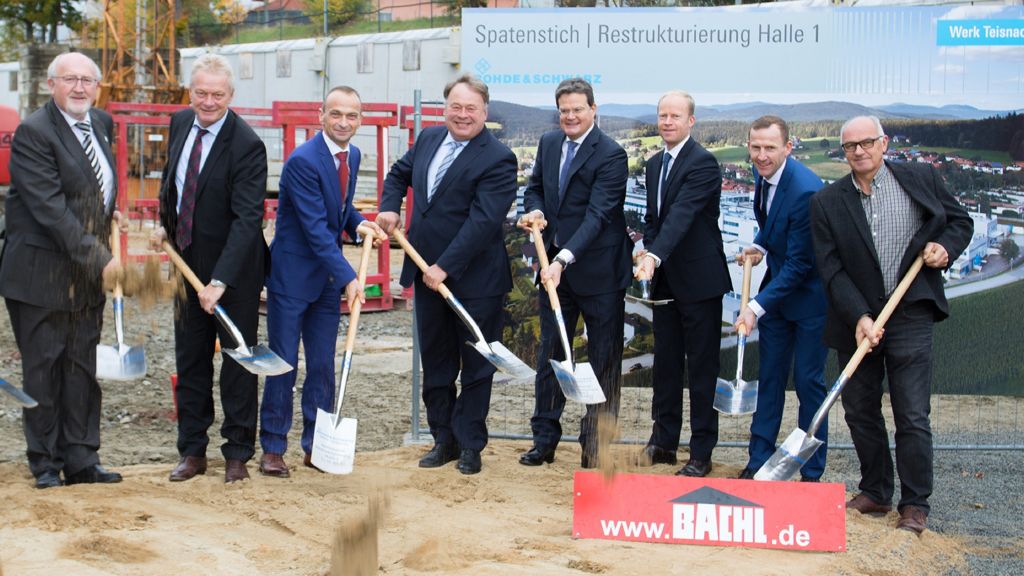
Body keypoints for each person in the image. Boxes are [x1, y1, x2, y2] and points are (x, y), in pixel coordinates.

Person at [810, 115, 971, 534]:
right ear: (843, 151)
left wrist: (944, 248)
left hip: (911, 311)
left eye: (867, 142)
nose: (859, 151)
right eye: (850, 146)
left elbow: (960, 223)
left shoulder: (920, 179)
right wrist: (860, 316)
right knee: (860, 410)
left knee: (912, 413)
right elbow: (831, 269)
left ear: (884, 143)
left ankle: (915, 504)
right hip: (856, 318)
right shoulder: (827, 202)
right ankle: (876, 490)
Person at [376, 74, 516, 475]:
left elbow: (483, 222)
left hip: (475, 281)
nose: (462, 114)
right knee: (436, 362)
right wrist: (389, 206)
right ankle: (443, 440)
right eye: (456, 106)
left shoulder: (498, 158)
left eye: (471, 108)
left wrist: (445, 266)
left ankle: (470, 445)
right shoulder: (429, 139)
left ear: (485, 113)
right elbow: (398, 174)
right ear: (445, 108)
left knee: (476, 366)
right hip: (426, 275)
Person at [0, 52, 123, 489]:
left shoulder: (102, 123)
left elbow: (92, 185)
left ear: (98, 87)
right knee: (44, 370)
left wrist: (109, 213)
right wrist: (102, 258)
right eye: (69, 79)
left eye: (87, 80)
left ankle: (82, 458)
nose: (79, 88)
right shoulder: (35, 132)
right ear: (50, 84)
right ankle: (46, 462)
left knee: (81, 367)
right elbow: (50, 209)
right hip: (40, 272)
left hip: (83, 275)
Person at [151, 53, 269, 483]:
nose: (208, 101)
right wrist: (163, 225)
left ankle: (237, 453)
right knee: (191, 359)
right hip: (187, 263)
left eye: (217, 95)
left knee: (237, 362)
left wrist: (220, 281)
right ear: (190, 92)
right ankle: (192, 451)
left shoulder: (247, 144)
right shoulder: (181, 122)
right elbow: (174, 181)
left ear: (231, 95)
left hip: (233, 271)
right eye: (201, 93)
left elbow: (247, 220)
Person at [258, 86, 385, 477]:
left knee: (322, 365)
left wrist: (359, 223)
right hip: (292, 277)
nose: (344, 122)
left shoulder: (353, 155)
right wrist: (349, 277)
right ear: (321, 115)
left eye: (352, 115)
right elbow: (314, 228)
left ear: (360, 119)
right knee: (283, 363)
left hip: (325, 280)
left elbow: (338, 209)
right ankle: (273, 448)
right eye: (336, 114)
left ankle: (315, 446)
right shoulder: (303, 161)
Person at [516, 78, 630, 469]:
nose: (570, 116)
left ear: (593, 110)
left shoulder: (612, 155)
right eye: (564, 110)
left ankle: (596, 444)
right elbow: (535, 188)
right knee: (551, 356)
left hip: (599, 274)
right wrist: (535, 211)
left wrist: (563, 259)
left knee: (603, 361)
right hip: (554, 274)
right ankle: (543, 440)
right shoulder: (549, 144)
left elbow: (598, 215)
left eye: (577, 109)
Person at [634, 91, 731, 478]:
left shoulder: (703, 163)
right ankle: (663, 443)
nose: (667, 122)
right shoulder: (654, 163)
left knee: (702, 371)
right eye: (663, 115)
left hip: (700, 283)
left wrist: (653, 256)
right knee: (666, 366)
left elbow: (682, 215)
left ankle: (701, 453)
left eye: (675, 116)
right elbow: (655, 220)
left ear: (691, 121)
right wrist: (648, 250)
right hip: (665, 283)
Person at [734, 116, 829, 482]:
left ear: (788, 147)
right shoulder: (762, 173)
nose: (761, 155)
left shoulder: (806, 191)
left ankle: (810, 472)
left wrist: (755, 307)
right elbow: (773, 221)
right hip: (778, 296)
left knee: (808, 383)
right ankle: (759, 461)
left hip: (809, 303)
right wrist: (760, 245)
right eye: (755, 147)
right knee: (770, 378)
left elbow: (801, 264)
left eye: (770, 148)